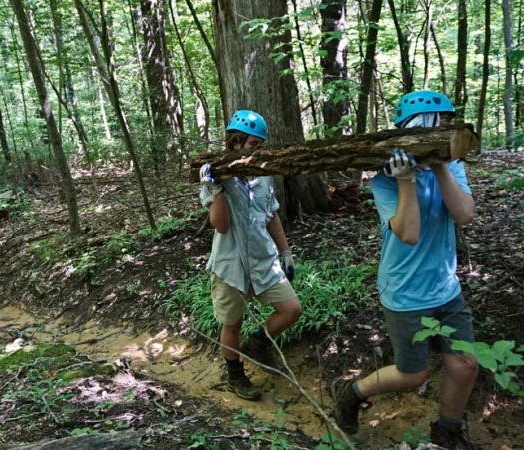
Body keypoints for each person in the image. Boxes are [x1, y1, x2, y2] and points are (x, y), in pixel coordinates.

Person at [331, 90, 478, 450]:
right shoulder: (383, 180)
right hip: (405, 292)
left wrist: (441, 164)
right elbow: (409, 233)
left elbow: (465, 215)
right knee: (413, 374)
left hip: (446, 287)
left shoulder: (454, 166)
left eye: (448, 123)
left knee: (466, 365)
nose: (446, 129)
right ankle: (351, 394)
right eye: (440, 123)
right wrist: (407, 180)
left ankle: (447, 431)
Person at [199, 110, 303, 401]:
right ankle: (235, 375)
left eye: (260, 146)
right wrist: (216, 189)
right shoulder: (216, 178)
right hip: (230, 264)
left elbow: (271, 215)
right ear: (235, 143)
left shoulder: (263, 176)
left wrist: (286, 252)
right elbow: (220, 225)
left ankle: (257, 343)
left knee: (291, 309)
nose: (257, 151)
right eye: (251, 146)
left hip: (263, 260)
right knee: (231, 324)